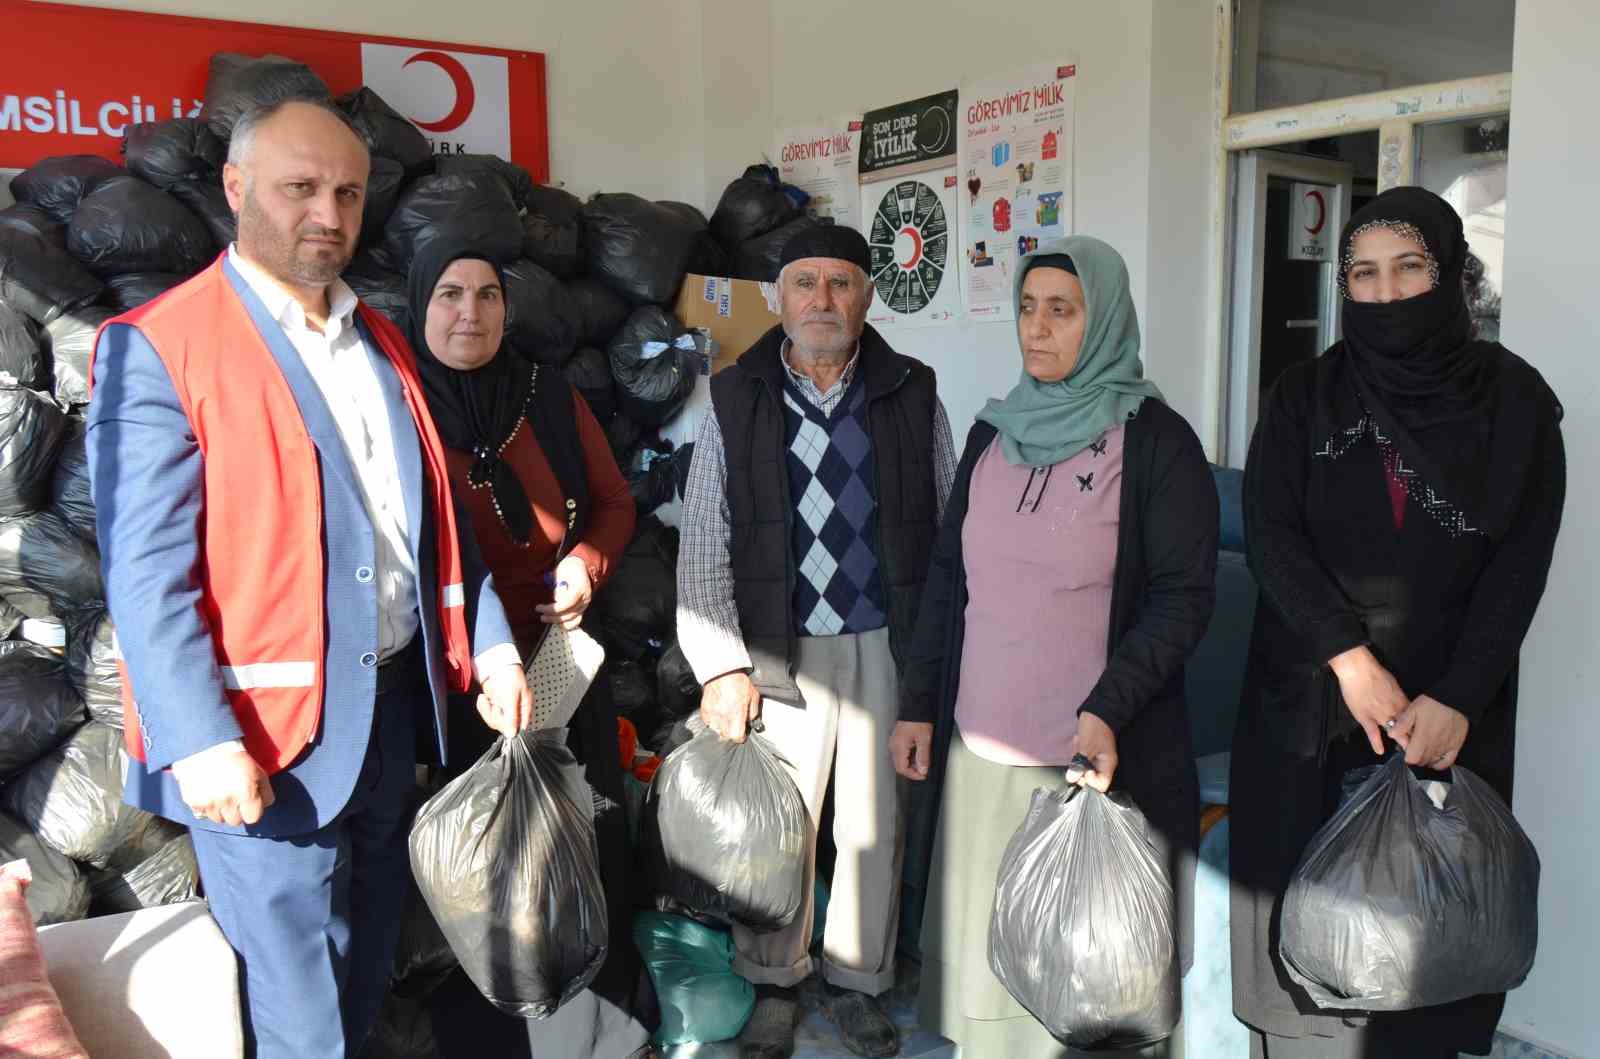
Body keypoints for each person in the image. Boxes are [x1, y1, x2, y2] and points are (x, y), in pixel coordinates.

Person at [86, 97, 532, 1059]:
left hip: (385, 715)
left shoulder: (382, 341)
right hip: (262, 740)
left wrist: (488, 642)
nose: (326, 214)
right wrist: (197, 737)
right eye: (300, 188)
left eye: (346, 192)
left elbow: (435, 521)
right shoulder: (162, 344)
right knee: (300, 1007)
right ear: (237, 189)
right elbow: (146, 570)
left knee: (364, 965)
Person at [1229, 187, 1566, 1059]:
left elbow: (1518, 566)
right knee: (1305, 975)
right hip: (1311, 704)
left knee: (1428, 959)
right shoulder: (1306, 393)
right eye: (1364, 274)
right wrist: (1349, 658)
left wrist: (1457, 696)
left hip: (1449, 718)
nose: (1385, 293)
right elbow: (1270, 533)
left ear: (1453, 273)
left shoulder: (1517, 405)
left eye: (1409, 268)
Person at [892, 236, 1215, 1058]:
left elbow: (1184, 599)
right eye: (1028, 309)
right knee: (990, 994)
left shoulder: (1157, 444)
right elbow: (946, 579)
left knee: (1086, 993)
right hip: (981, 763)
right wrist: (919, 705)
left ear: (1103, 319)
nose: (1037, 330)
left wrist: (1108, 706)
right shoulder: (991, 436)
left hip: (1091, 773)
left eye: (1061, 311)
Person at [677, 225, 956, 1059]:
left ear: (868, 296)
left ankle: (860, 979)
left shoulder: (912, 391)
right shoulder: (736, 395)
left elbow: (946, 531)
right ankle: (774, 981)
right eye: (805, 283)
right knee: (777, 826)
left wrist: (933, 667)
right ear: (776, 297)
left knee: (874, 825)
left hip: (883, 640)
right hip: (775, 644)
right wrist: (721, 664)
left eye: (841, 283)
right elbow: (703, 537)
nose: (823, 301)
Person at [402, 235, 653, 1059]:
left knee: (578, 840)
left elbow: (613, 502)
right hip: (457, 676)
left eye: (485, 295)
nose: (468, 312)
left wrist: (585, 564)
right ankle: (500, 1034)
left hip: (558, 664)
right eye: (448, 294)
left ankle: (595, 1027)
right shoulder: (399, 404)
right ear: (418, 304)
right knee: (484, 871)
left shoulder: (545, 394)